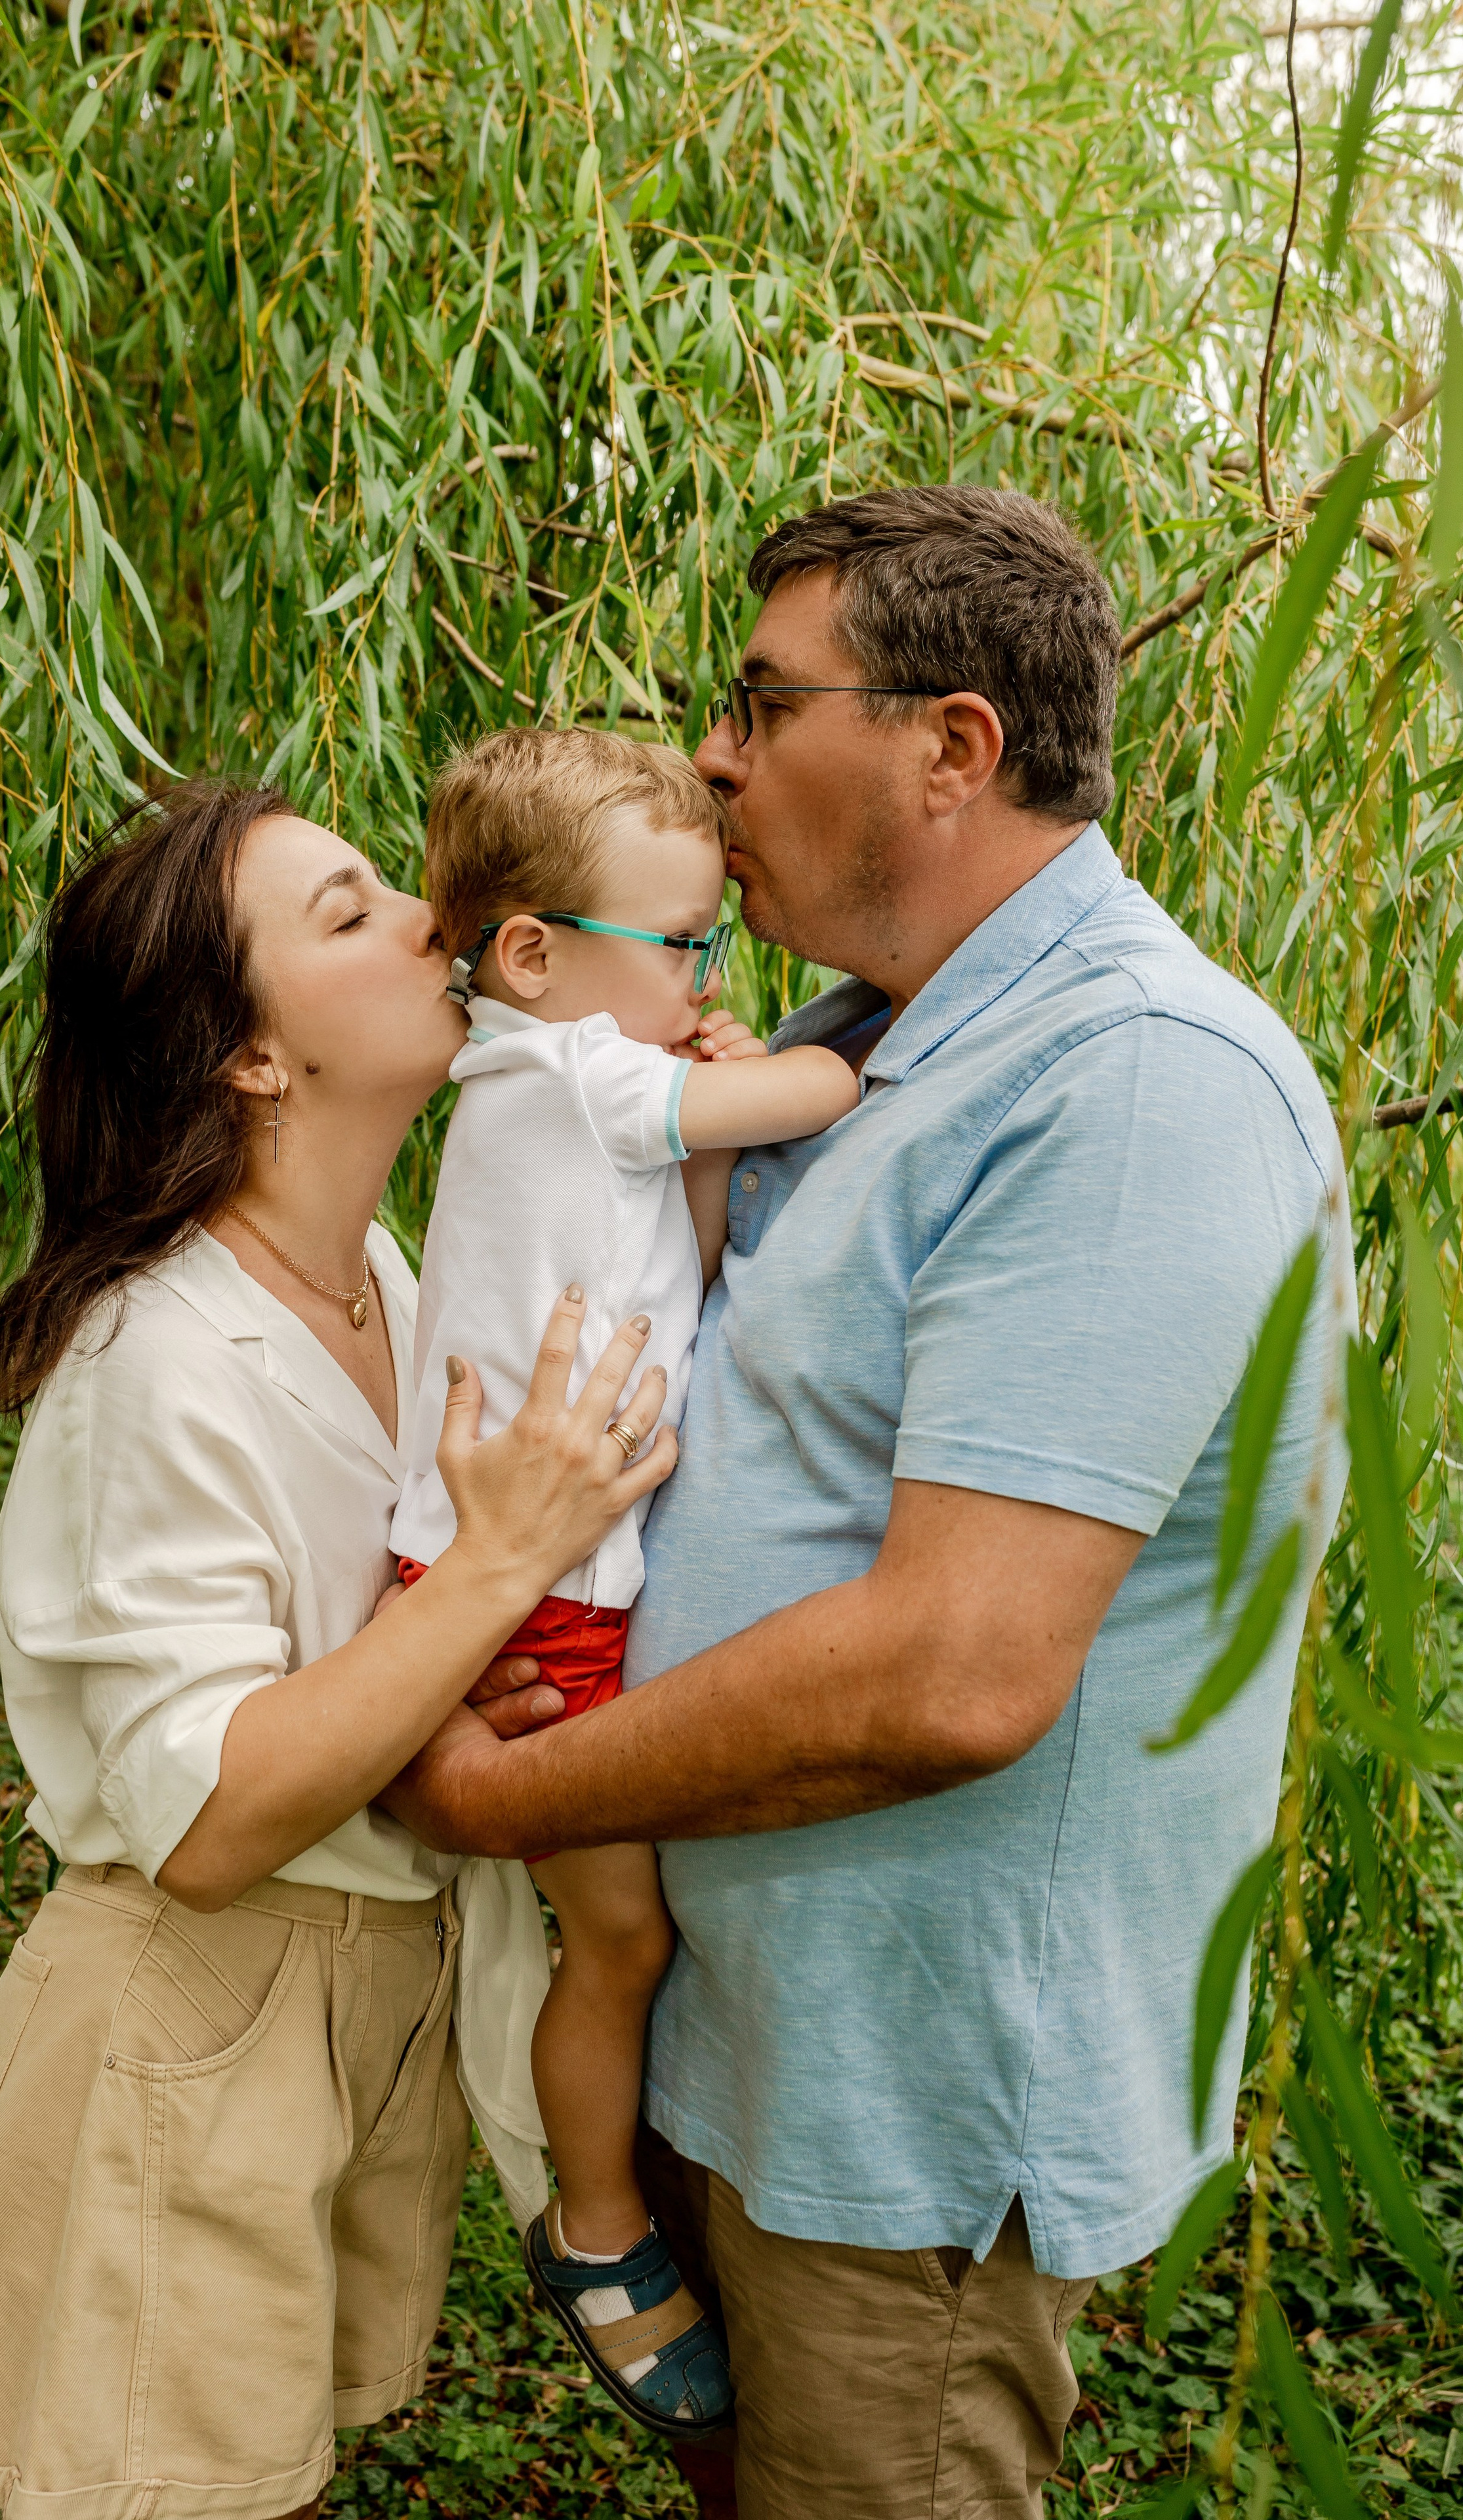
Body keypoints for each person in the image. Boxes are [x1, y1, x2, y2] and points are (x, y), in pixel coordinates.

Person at [381, 486, 1354, 2519]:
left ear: (954, 745)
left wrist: (483, 1794)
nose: (714, 756)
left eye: (761, 701)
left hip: (895, 2111)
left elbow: (953, 1671)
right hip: (755, 2048)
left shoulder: (1136, 1087)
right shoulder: (864, 1038)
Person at [0, 780, 678, 2520]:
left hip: (350, 2013)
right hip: (188, 2028)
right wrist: (497, 1572)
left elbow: (358, 1650)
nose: (430, 922)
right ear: (251, 1057)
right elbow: (216, 1819)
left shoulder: (376, 1267)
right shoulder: (158, 1357)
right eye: (352, 909)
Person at [392, 727, 857, 2435]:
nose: (711, 979)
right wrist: (854, 1067)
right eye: (688, 944)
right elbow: (797, 1098)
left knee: (619, 1932)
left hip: (561, 1576)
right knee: (624, 1937)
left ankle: (604, 2192)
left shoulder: (583, 1087)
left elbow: (696, 1243)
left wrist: (715, 1108)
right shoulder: (557, 1073)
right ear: (531, 954)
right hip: (549, 1594)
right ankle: (597, 2230)